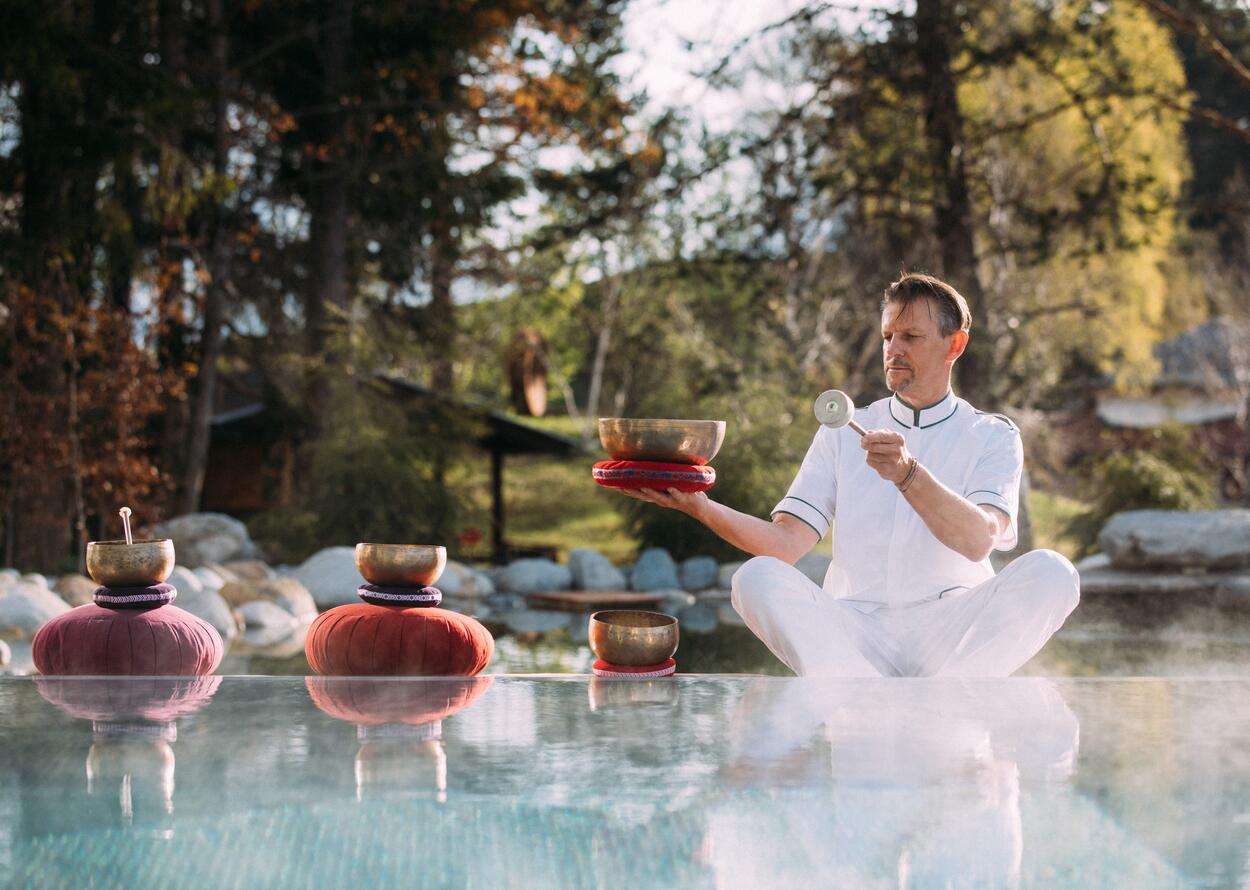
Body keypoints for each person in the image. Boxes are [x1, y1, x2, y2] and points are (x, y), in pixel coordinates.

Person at [619, 272, 1079, 677]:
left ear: (954, 345)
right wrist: (699, 506)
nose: (894, 349)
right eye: (887, 336)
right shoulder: (841, 430)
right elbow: (783, 546)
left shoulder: (993, 435)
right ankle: (859, 696)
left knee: (1053, 573)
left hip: (950, 625)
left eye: (911, 337)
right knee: (753, 579)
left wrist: (907, 475)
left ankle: (952, 694)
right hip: (857, 628)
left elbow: (979, 539)